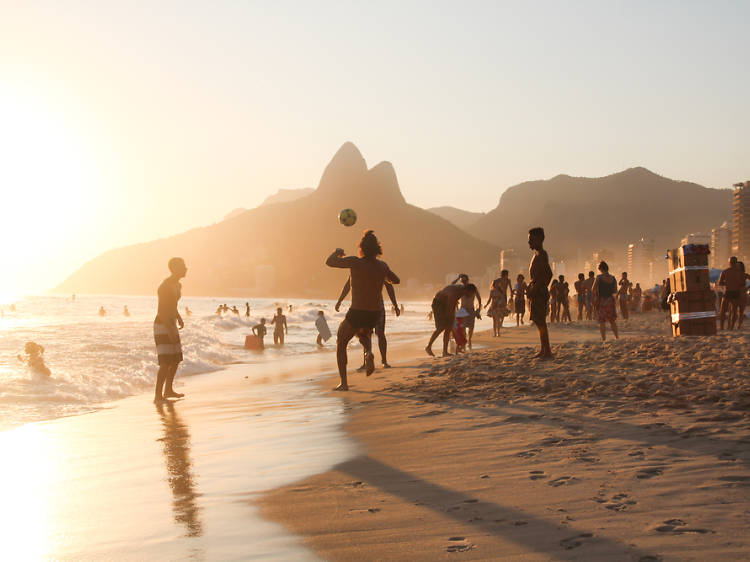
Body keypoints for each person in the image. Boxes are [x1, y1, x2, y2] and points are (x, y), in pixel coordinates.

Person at [325, 230, 400, 391]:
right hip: (375, 313)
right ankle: (368, 354)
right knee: (363, 334)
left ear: (362, 248)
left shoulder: (355, 262)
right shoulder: (383, 266)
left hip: (357, 311)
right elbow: (396, 280)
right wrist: (383, 276)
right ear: (377, 249)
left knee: (341, 342)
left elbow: (329, 262)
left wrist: (337, 252)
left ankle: (344, 383)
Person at [336, 275, 400, 369]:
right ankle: (382, 361)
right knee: (379, 334)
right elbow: (390, 286)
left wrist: (340, 300)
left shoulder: (358, 265)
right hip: (377, 305)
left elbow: (348, 285)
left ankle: (370, 360)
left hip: (362, 305)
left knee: (365, 334)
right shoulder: (379, 266)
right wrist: (395, 305)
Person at [154, 257, 188, 403]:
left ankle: (168, 390)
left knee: (175, 359)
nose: (186, 268)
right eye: (183, 266)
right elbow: (161, 310)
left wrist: (178, 317)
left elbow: (172, 306)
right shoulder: (165, 286)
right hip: (162, 325)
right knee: (165, 361)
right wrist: (168, 329)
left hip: (171, 322)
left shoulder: (177, 285)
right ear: (175, 269)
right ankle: (158, 396)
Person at [426, 283, 473, 356]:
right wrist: (451, 317)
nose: (471, 296)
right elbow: (449, 306)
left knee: (448, 327)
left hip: (445, 303)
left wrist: (452, 318)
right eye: (471, 293)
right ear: (468, 290)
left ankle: (445, 352)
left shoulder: (461, 291)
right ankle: (428, 347)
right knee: (441, 327)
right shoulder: (457, 292)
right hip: (438, 303)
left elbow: (453, 304)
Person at [527, 227, 553, 359]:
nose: (529, 242)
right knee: (538, 321)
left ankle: (547, 351)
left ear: (539, 239)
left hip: (539, 293)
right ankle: (544, 349)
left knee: (541, 322)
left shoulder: (542, 254)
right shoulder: (536, 254)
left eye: (531, 239)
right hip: (535, 292)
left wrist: (537, 288)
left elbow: (548, 274)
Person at [452, 274, 482, 349]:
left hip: (471, 309)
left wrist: (478, 309)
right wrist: (458, 278)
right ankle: (464, 341)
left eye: (465, 280)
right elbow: (452, 285)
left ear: (467, 280)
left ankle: (470, 339)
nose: (463, 282)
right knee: (463, 327)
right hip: (463, 309)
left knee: (471, 326)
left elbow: (479, 299)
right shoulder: (461, 288)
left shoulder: (472, 288)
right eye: (462, 280)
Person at [592, 261, 618, 341]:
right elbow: (615, 291)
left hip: (602, 300)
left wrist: (596, 296)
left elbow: (593, 289)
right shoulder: (613, 278)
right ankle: (616, 337)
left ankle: (604, 339)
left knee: (602, 321)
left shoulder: (599, 277)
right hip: (610, 300)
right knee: (612, 320)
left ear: (600, 269)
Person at [719, 256, 745, 330]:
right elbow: (743, 283)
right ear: (736, 262)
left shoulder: (725, 271)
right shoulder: (740, 272)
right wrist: (736, 284)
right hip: (736, 293)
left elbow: (720, 283)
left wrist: (727, 283)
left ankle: (721, 327)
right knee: (734, 311)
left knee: (723, 310)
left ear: (729, 263)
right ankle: (732, 327)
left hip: (728, 292)